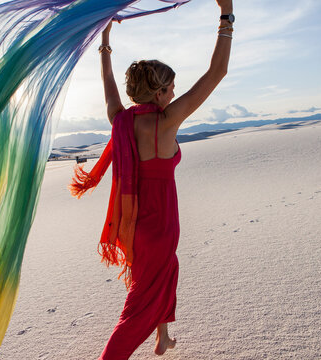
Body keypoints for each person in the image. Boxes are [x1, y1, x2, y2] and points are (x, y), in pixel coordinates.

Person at [93, 0, 233, 358]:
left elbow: (109, 85)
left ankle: (163, 337)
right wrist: (226, 14)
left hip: (137, 226)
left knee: (165, 272)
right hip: (161, 226)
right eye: (171, 88)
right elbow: (217, 73)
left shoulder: (120, 120)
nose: (174, 93)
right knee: (136, 309)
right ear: (158, 93)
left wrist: (105, 42)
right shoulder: (166, 121)